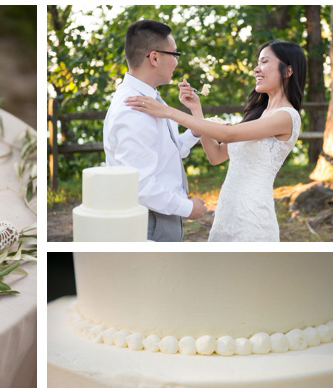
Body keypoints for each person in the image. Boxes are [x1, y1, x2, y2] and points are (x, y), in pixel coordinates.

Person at [126, 41, 305, 242]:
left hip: (254, 216)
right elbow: (216, 155)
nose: (256, 69)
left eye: (264, 62)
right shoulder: (258, 115)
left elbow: (228, 135)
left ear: (288, 70)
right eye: (257, 63)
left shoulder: (287, 117)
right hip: (227, 211)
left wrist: (168, 112)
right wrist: (196, 109)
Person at [103, 20, 207, 242]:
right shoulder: (133, 109)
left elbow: (169, 151)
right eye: (175, 54)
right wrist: (187, 208)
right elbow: (139, 185)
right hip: (150, 221)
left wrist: (196, 130)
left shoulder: (150, 100)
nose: (176, 63)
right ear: (155, 57)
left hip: (161, 215)